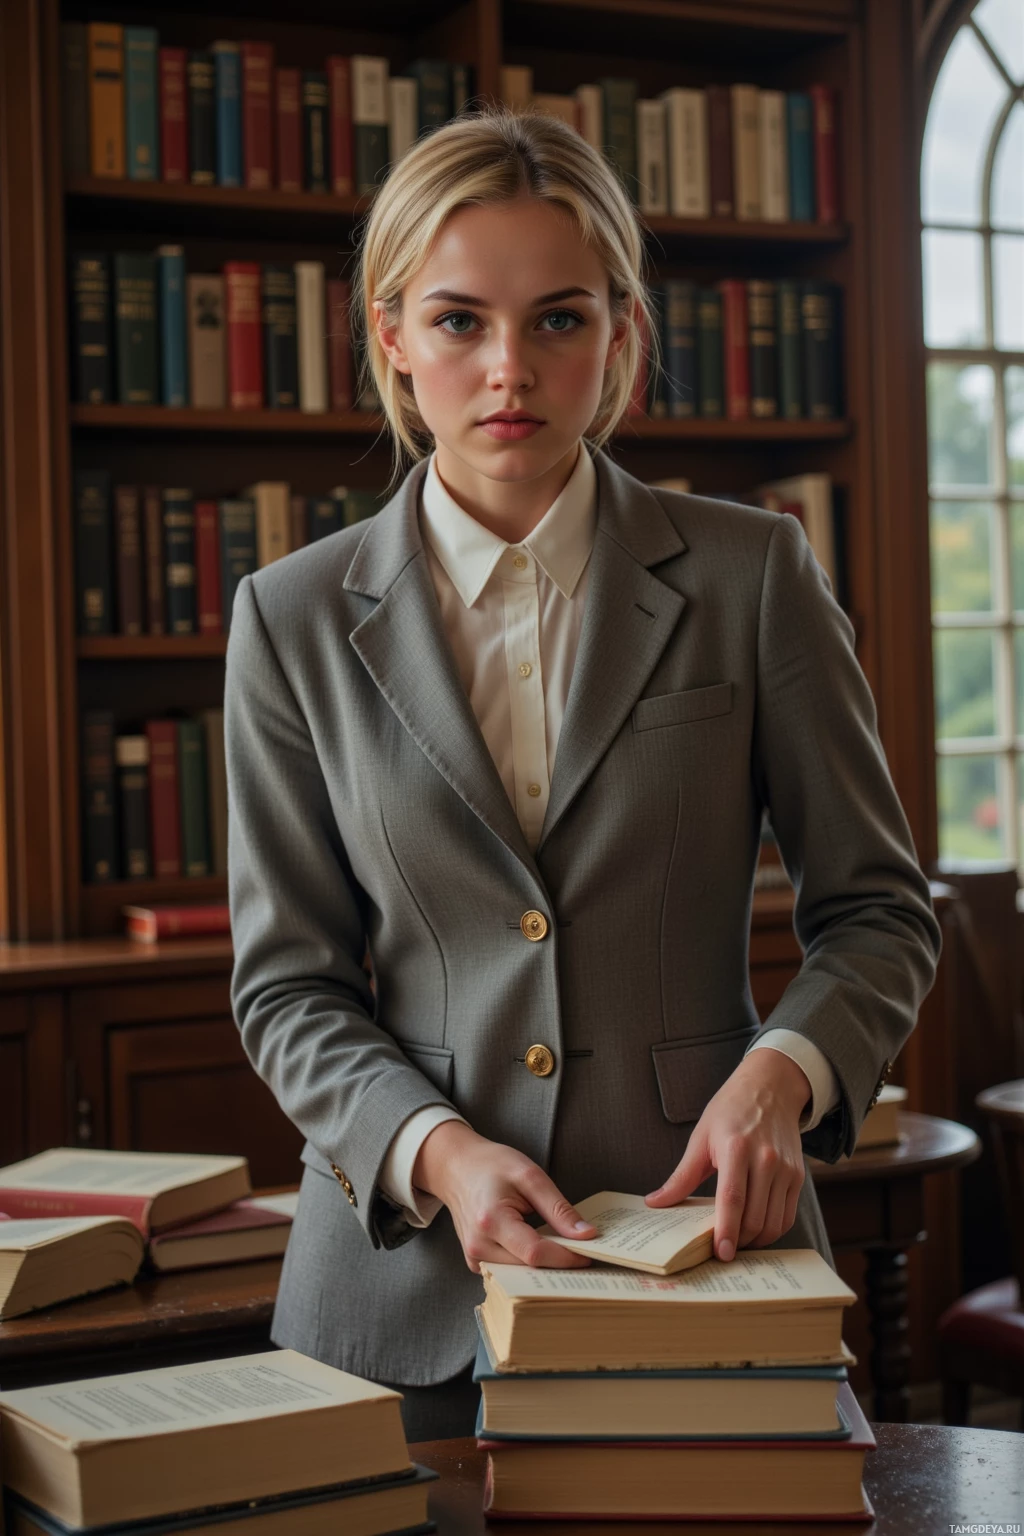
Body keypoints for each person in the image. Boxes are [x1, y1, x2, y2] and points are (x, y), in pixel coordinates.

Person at [224, 105, 941, 1444]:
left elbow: (881, 911)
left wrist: (785, 1073)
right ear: (390, 336)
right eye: (458, 322)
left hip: (707, 1257)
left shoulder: (753, 575)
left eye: (558, 318)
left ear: (619, 332)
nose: (510, 368)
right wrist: (439, 1152)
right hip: (398, 1295)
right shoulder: (292, 617)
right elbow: (286, 987)